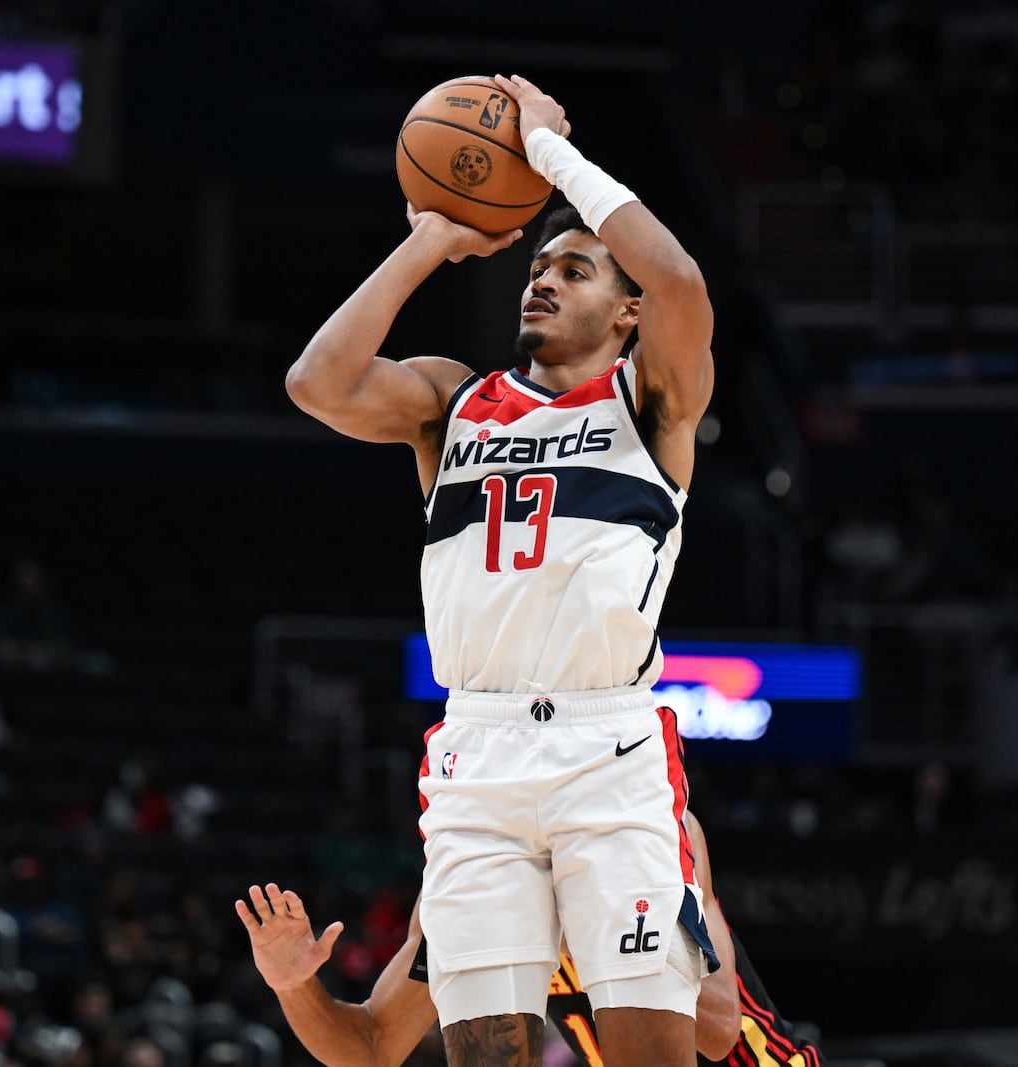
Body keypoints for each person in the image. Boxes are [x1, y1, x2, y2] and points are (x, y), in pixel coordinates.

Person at [284, 73, 716, 1067]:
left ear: (624, 317)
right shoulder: (453, 400)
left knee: (651, 1046)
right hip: (476, 744)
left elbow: (682, 283)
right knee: (484, 1053)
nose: (543, 277)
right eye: (537, 263)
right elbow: (318, 383)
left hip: (608, 744)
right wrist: (432, 236)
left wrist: (547, 150)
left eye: (576, 269)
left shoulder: (652, 403)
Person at [236, 811, 821, 1067]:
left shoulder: (656, 833)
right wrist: (294, 985)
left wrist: (596, 927)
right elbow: (371, 1048)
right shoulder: (468, 889)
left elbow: (718, 1034)